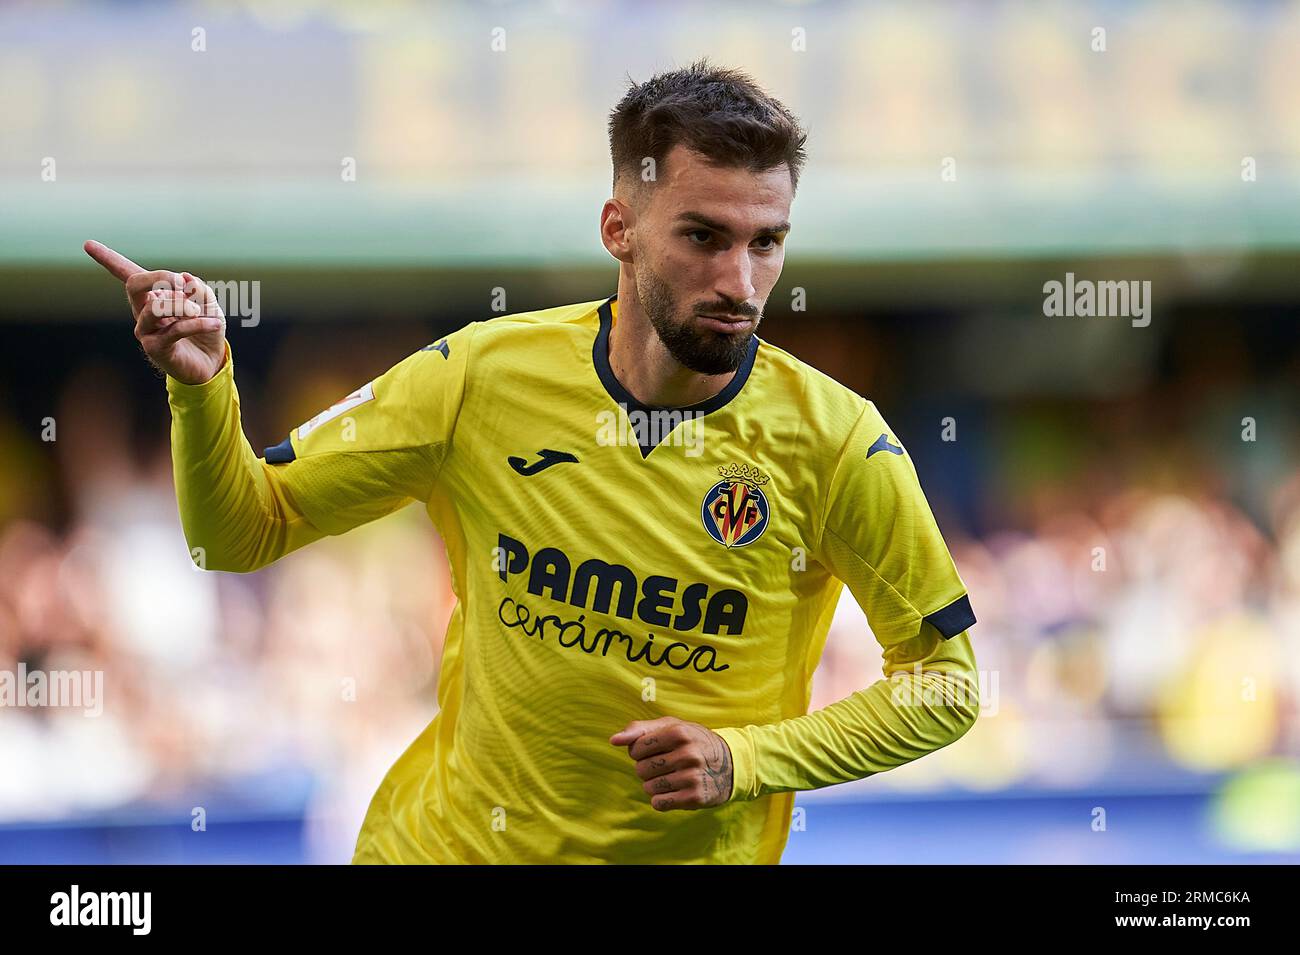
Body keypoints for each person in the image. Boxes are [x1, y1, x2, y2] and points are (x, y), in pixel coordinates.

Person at [85, 60, 979, 864]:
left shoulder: (838, 443)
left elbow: (945, 684)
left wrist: (748, 757)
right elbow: (240, 533)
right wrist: (202, 391)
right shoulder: (481, 376)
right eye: (703, 238)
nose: (741, 283)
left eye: (767, 243)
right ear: (618, 228)